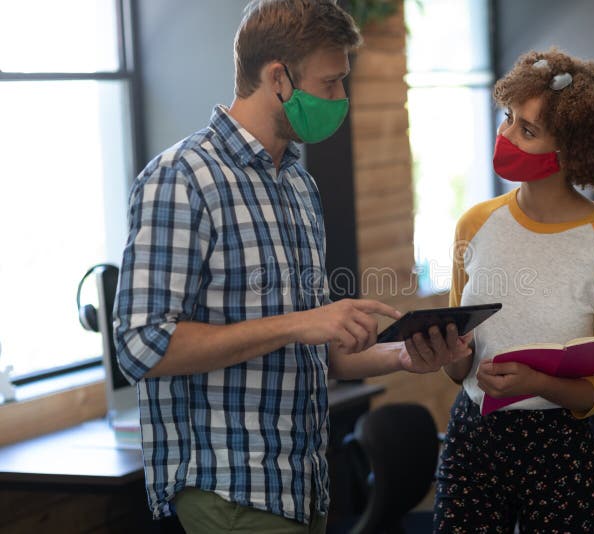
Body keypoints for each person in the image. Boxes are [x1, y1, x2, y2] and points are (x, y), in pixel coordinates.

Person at [113, 1, 472, 533]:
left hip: (302, 486)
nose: (341, 99)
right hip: (228, 488)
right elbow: (140, 344)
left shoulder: (297, 185)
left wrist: (404, 355)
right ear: (277, 77)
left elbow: (316, 357)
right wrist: (299, 323)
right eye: (330, 84)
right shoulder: (180, 178)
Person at [433, 48, 594, 533]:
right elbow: (459, 366)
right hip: (472, 445)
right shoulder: (475, 224)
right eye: (508, 118)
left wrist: (537, 385)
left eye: (526, 131)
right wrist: (449, 354)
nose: (505, 135)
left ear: (571, 152)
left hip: (560, 459)